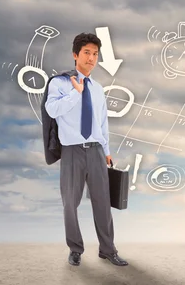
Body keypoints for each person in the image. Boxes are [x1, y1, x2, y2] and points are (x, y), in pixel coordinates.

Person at [45, 33, 128, 267]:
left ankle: (108, 249)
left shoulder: (99, 89)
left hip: (96, 151)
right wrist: (76, 93)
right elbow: (52, 110)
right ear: (75, 55)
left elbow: (102, 123)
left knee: (102, 201)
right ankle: (75, 249)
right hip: (72, 151)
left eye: (95, 54)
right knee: (70, 203)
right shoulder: (59, 83)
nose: (91, 58)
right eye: (87, 53)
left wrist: (106, 149)